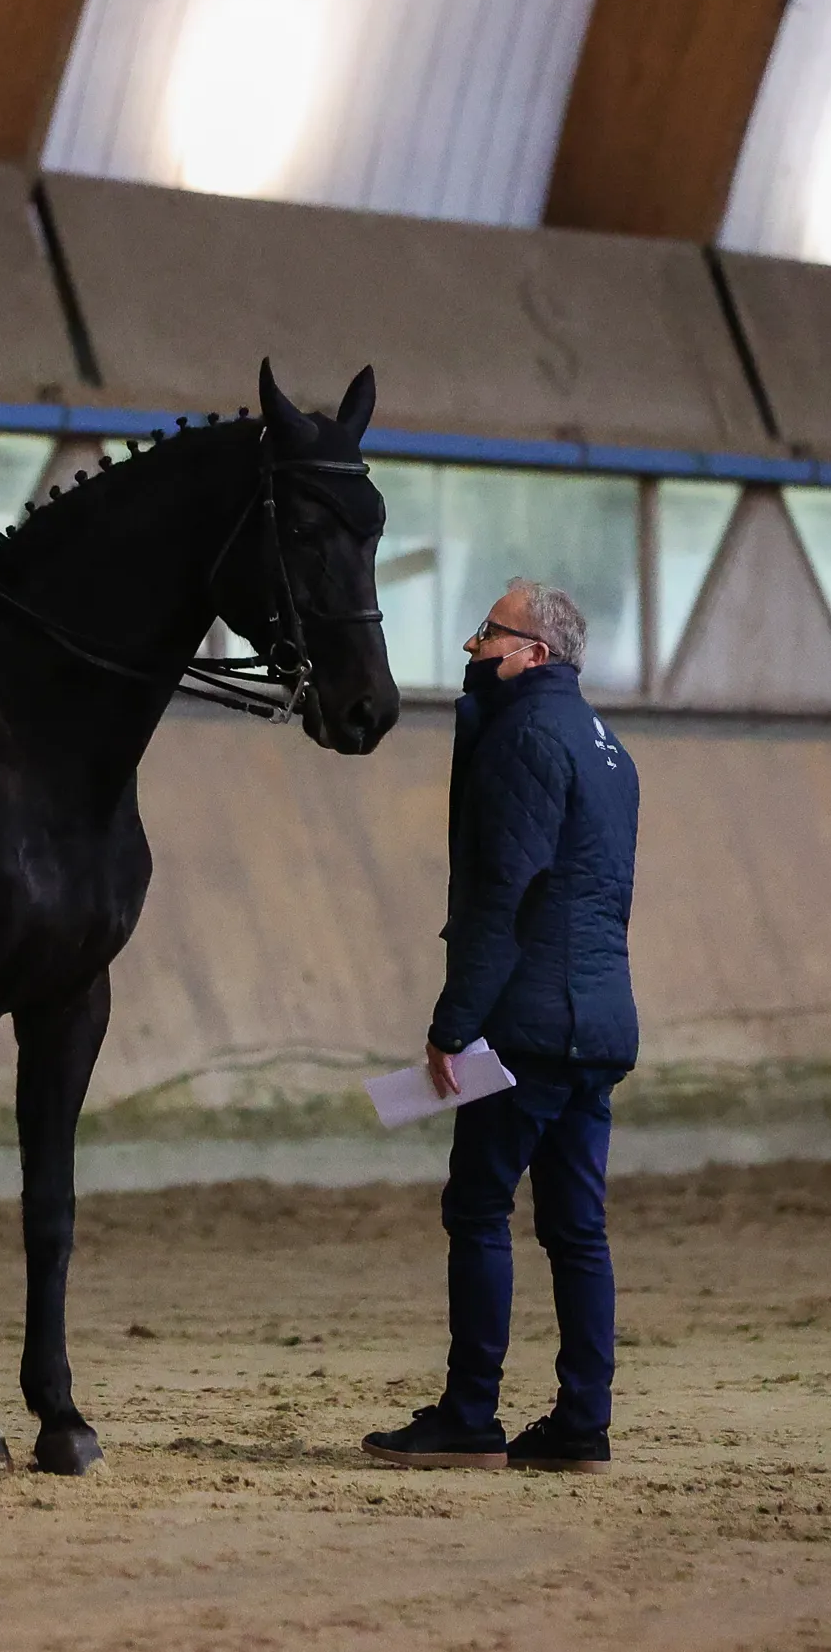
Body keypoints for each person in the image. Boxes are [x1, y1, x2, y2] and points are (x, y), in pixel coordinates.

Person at [363, 577, 640, 1472]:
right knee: (576, 1227)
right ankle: (582, 1424)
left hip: (527, 1026)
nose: (475, 645)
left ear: (534, 654)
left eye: (490, 632)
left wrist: (454, 1023)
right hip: (597, 1023)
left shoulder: (522, 737)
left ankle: (470, 1416)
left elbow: (502, 896)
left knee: (478, 1206)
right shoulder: (607, 747)